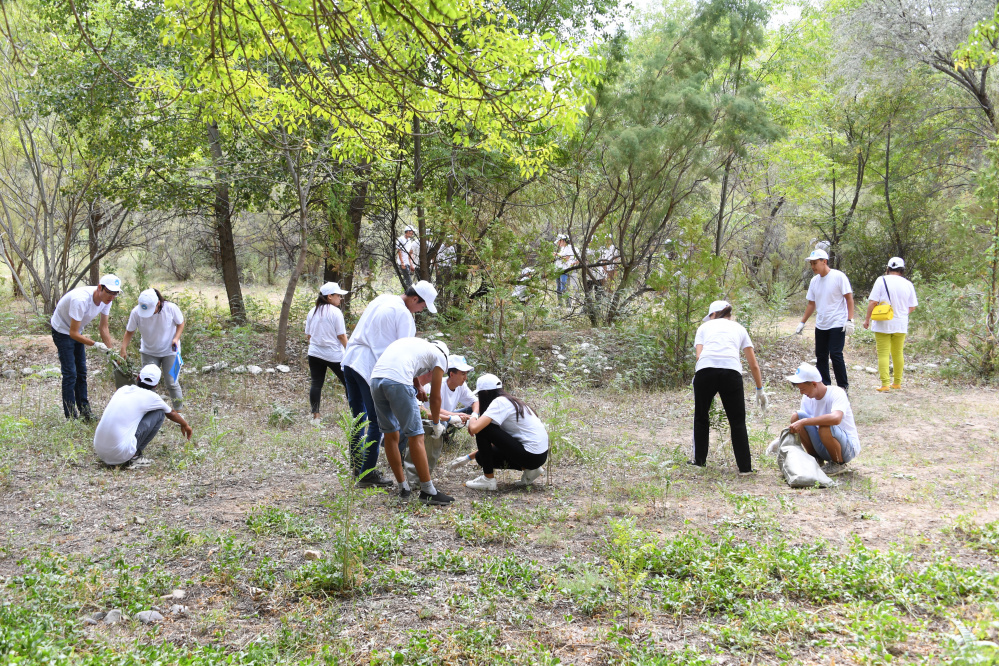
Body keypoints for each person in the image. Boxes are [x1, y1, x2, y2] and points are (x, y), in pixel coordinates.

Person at [341, 280, 438, 487]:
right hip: (370, 367)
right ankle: (366, 473)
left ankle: (357, 466)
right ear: (414, 298)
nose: (421, 310)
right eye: (422, 306)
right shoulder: (403, 315)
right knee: (377, 422)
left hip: (350, 361)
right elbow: (405, 354)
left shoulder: (383, 298)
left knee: (359, 418)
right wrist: (416, 385)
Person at [369, 337, 454, 505]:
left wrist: (418, 385)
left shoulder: (415, 345)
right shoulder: (441, 356)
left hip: (376, 380)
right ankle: (428, 491)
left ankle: (403, 488)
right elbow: (436, 397)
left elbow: (406, 365)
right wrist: (437, 423)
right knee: (416, 436)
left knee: (390, 434)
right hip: (397, 382)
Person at [690, 301, 767, 474]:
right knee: (737, 421)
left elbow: (699, 356)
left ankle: (699, 461)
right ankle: (745, 468)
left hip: (705, 370)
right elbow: (753, 364)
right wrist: (759, 389)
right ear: (728, 315)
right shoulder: (739, 328)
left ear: (712, 315)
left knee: (701, 417)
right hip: (731, 372)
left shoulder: (704, 328)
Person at [50, 274, 122, 420]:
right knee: (71, 373)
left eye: (115, 293)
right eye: (109, 292)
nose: (112, 297)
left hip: (77, 331)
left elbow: (104, 327)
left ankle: (85, 412)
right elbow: (73, 333)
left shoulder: (108, 299)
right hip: (62, 330)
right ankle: (71, 417)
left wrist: (111, 352)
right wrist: (95, 344)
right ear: (100, 287)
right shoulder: (81, 299)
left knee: (81, 372)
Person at [460, 373, 549, 491]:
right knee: (480, 457)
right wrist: (468, 457)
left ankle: (488, 480)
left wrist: (474, 414)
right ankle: (530, 469)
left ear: (485, 393)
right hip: (539, 456)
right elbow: (498, 441)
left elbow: (475, 428)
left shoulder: (499, 402)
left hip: (531, 455)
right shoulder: (510, 400)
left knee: (483, 428)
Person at [93, 364, 192, 468]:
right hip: (120, 454)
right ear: (155, 385)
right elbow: (171, 413)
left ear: (138, 377)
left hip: (100, 450)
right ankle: (135, 456)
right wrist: (185, 424)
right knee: (159, 412)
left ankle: (125, 452)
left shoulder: (123, 389)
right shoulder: (152, 397)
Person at [404, 354, 480, 485]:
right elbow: (432, 410)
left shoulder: (462, 386)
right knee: (442, 421)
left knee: (476, 410)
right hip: (433, 419)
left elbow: (475, 401)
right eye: (462, 373)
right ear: (451, 374)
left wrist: (474, 415)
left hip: (446, 417)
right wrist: (453, 417)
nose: (465, 377)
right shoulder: (434, 385)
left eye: (466, 374)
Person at [795, 248, 855, 391]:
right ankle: (825, 387)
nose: (813, 266)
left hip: (837, 322)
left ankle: (843, 388)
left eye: (815, 263)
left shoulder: (838, 276)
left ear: (824, 261)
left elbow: (849, 298)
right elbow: (811, 303)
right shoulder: (814, 281)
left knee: (835, 354)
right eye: (811, 264)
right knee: (821, 356)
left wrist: (850, 319)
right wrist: (802, 322)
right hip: (821, 324)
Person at [121, 288, 185, 411]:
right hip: (148, 352)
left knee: (171, 382)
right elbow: (130, 330)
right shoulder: (136, 312)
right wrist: (123, 348)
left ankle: (178, 411)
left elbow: (180, 323)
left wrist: (176, 338)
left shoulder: (171, 308)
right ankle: (150, 411)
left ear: (158, 303)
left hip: (170, 351)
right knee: (147, 383)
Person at [786, 363, 860, 469]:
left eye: (803, 389)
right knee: (796, 417)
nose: (801, 393)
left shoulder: (837, 392)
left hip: (847, 449)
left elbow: (836, 418)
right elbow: (803, 425)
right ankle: (815, 459)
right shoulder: (807, 398)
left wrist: (804, 422)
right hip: (822, 445)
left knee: (825, 426)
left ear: (814, 384)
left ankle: (837, 464)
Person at [863, 257, 918, 392]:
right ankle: (897, 383)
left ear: (887, 268)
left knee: (883, 353)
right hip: (900, 324)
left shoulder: (881, 280)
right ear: (902, 270)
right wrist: (900, 314)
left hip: (882, 322)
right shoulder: (908, 284)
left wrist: (867, 319)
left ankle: (885, 384)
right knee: (898, 352)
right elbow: (912, 306)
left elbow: (872, 302)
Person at [305, 282, 350, 424]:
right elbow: (342, 336)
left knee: (316, 383)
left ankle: (316, 417)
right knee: (349, 383)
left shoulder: (313, 311)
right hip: (334, 355)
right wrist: (350, 351)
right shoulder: (335, 312)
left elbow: (308, 336)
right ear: (329, 296)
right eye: (338, 295)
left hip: (315, 353)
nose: (340, 298)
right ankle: (356, 414)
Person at [554, 234, 576, 302]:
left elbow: (567, 258)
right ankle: (560, 304)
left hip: (564, 270)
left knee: (564, 287)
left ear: (563, 240)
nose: (558, 243)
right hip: (558, 269)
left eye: (559, 241)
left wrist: (557, 255)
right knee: (558, 288)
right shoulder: (562, 248)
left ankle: (568, 304)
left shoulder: (569, 247)